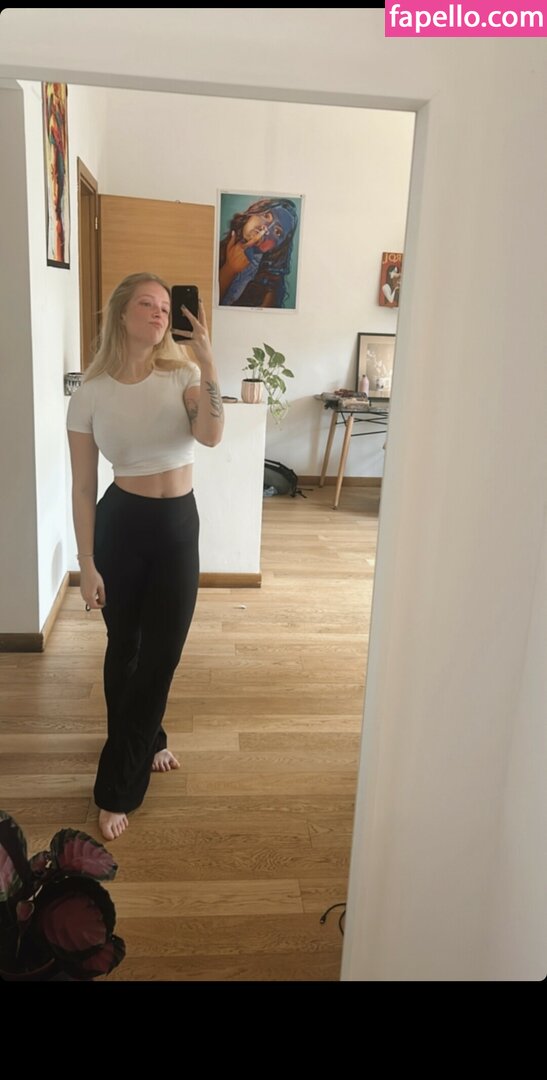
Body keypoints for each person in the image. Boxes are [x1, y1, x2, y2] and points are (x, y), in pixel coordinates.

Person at [66, 272, 224, 841]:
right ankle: (145, 744)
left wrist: (208, 363)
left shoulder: (182, 376)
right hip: (120, 525)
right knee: (125, 648)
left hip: (177, 527)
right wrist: (87, 562)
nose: (159, 312)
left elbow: (210, 436)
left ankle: (116, 786)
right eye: (147, 303)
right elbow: (84, 486)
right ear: (121, 314)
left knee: (161, 656)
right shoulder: (91, 392)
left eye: (164, 305)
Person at [218, 197, 298, 307]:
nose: (265, 229)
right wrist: (229, 268)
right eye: (266, 216)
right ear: (252, 214)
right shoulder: (216, 249)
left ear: (277, 247)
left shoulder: (272, 288)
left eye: (277, 232)